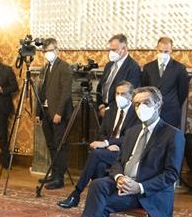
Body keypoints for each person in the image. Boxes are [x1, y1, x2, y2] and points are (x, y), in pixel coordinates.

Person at [80, 86, 184, 217]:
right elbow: (118, 162)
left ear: (158, 104)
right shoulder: (132, 132)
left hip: (148, 193)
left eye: (146, 103)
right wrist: (119, 177)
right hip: (124, 181)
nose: (141, 107)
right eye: (137, 104)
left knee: (103, 204)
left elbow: (171, 175)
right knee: (97, 184)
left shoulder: (172, 135)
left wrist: (139, 187)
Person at [57, 81, 138, 209]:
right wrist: (107, 145)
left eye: (123, 94)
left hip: (124, 152)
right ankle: (99, 202)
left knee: (96, 154)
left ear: (131, 95)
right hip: (107, 151)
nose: (119, 97)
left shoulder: (136, 113)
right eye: (117, 93)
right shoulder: (111, 109)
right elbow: (102, 133)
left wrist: (107, 143)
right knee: (100, 165)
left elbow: (130, 137)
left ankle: (76, 194)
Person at [37, 38, 73, 189]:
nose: (48, 53)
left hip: (59, 114)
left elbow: (66, 93)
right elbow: (42, 91)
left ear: (57, 50)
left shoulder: (64, 67)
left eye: (50, 50)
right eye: (45, 51)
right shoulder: (46, 68)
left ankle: (59, 178)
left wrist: (59, 112)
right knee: (51, 144)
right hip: (46, 111)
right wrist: (38, 113)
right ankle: (54, 173)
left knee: (59, 145)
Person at [141, 37, 189, 130]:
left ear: (171, 50)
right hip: (152, 110)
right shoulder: (148, 67)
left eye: (166, 51)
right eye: (160, 51)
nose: (163, 54)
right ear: (156, 49)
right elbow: (144, 88)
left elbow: (183, 92)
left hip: (170, 111)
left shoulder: (180, 68)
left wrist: (172, 103)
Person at [97, 33, 141, 108]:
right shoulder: (109, 65)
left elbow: (129, 94)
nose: (111, 52)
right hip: (103, 106)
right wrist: (100, 105)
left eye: (114, 50)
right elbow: (101, 86)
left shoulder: (133, 67)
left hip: (117, 109)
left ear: (124, 48)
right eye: (110, 49)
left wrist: (109, 110)